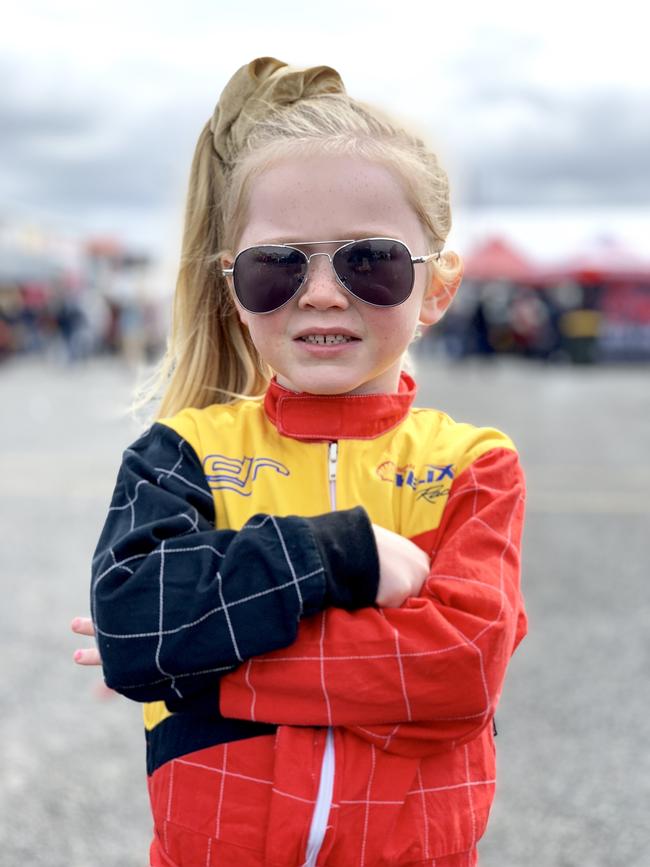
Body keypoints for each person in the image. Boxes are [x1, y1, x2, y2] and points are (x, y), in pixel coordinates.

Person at [71, 56, 528, 867]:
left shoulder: (475, 464)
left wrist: (206, 677)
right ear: (231, 288)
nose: (321, 293)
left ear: (438, 289)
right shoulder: (182, 454)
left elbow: (456, 671)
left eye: (370, 262)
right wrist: (332, 556)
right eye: (278, 264)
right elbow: (135, 620)